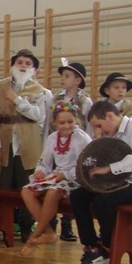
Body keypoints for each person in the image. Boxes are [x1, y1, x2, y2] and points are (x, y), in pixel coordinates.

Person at [70, 100, 132, 264]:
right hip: (121, 182)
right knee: (78, 195)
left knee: (103, 200)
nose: (99, 130)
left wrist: (110, 168)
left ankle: (106, 245)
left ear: (110, 116)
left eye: (99, 125)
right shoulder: (112, 133)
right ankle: (92, 246)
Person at [0, 49, 52, 243]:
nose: (23, 66)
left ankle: (26, 227)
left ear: (34, 70)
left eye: (28, 64)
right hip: (4, 143)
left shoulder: (41, 92)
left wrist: (16, 99)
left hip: (29, 145)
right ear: (13, 65)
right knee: (1, 186)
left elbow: (39, 116)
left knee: (27, 186)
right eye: (19, 62)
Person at [19, 103, 91, 257]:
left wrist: (66, 175)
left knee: (53, 192)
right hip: (56, 176)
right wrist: (40, 171)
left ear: (76, 120)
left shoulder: (81, 138)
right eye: (62, 122)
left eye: (70, 122)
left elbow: (86, 166)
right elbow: (44, 162)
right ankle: (48, 231)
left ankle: (33, 238)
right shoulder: (52, 138)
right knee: (27, 191)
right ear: (55, 123)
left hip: (76, 178)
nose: (66, 126)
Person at [45, 59, 93, 241]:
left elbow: (89, 126)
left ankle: (67, 223)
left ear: (78, 80)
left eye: (67, 76)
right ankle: (50, 222)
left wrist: (87, 147)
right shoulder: (56, 98)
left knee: (72, 182)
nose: (62, 79)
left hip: (76, 147)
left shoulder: (85, 101)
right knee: (54, 180)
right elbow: (49, 123)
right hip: (58, 146)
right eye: (62, 76)